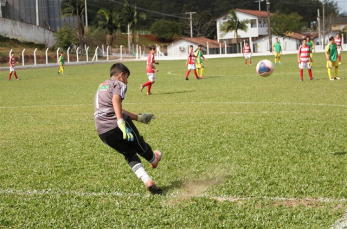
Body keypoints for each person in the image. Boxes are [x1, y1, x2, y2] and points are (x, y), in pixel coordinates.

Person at [94, 63, 163, 195]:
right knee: (139, 145)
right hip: (115, 124)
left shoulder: (102, 85)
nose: (127, 81)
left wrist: (139, 118)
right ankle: (154, 159)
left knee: (129, 154)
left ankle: (147, 180)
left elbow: (114, 108)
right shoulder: (119, 84)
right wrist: (120, 123)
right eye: (127, 77)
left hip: (102, 130)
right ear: (121, 75)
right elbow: (116, 100)